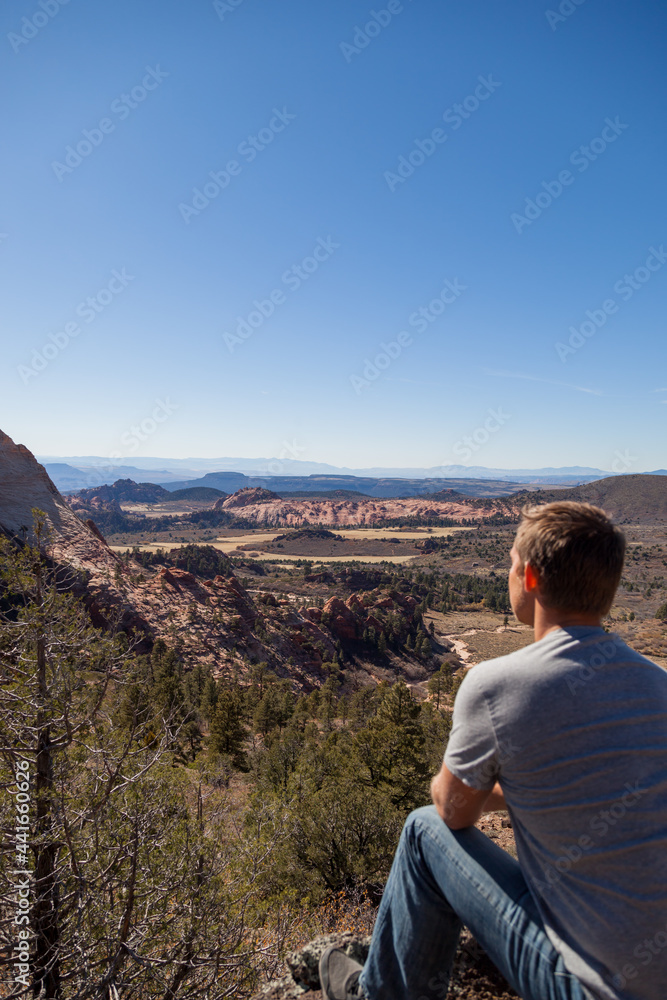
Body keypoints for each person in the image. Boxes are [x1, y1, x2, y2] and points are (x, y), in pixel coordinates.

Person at [319, 502, 667, 1000]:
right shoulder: (658, 684)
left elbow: (453, 811)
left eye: (511, 564)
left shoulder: (497, 684)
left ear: (530, 577)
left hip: (585, 988)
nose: (508, 574)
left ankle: (379, 994)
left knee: (423, 828)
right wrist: (525, 788)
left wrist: (477, 787)